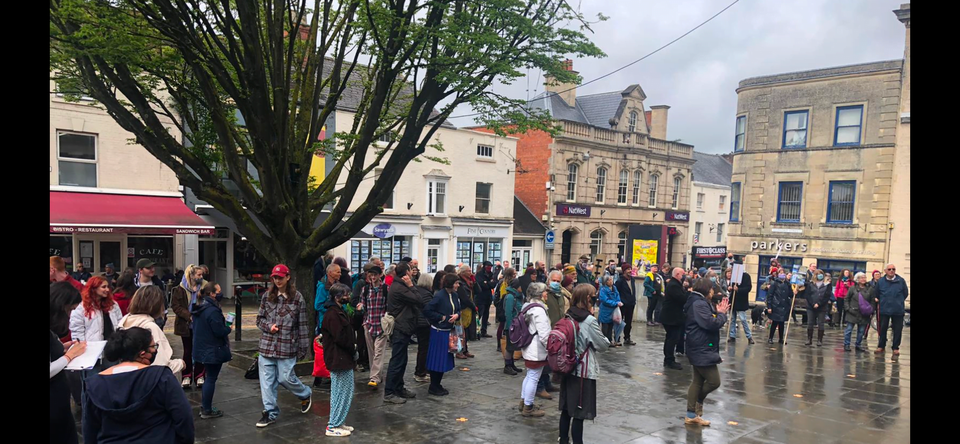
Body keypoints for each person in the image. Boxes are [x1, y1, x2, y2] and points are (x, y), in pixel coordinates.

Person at [82, 327, 194, 444]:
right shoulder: (161, 377)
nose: (155, 350)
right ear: (142, 353)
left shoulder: (94, 384)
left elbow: (90, 428)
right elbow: (183, 417)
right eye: (153, 347)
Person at [255, 264, 313, 428]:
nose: (277, 280)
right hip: (267, 345)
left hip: (287, 346)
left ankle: (305, 393)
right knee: (267, 383)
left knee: (285, 378)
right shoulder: (267, 296)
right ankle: (270, 412)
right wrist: (269, 327)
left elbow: (302, 324)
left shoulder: (297, 298)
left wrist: (303, 348)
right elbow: (259, 319)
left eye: (280, 277)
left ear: (288, 277)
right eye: (275, 277)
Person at [558, 284, 610, 444]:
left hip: (567, 367)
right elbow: (603, 345)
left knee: (567, 409)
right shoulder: (588, 320)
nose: (596, 298)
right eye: (594, 295)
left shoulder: (568, 315)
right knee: (580, 412)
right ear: (588, 298)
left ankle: (563, 440)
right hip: (583, 370)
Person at [682, 278, 730, 426]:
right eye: (711, 289)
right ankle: (697, 402)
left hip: (701, 346)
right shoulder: (698, 303)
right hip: (700, 347)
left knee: (697, 381)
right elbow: (710, 323)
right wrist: (721, 314)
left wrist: (717, 312)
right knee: (714, 381)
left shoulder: (700, 302)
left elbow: (708, 319)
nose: (713, 292)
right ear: (706, 290)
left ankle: (691, 414)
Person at [117, 286, 186, 374]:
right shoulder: (151, 328)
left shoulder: (123, 323)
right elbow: (160, 365)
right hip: (147, 379)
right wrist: (179, 364)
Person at [383, 261, 424, 404]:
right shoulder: (401, 288)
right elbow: (419, 300)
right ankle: (389, 392)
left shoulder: (398, 285)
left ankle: (399, 388)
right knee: (397, 360)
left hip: (404, 326)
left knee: (402, 359)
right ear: (406, 273)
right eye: (410, 270)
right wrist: (411, 286)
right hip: (401, 327)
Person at [50, 282, 85, 444]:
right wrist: (69, 356)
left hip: (59, 404)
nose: (71, 314)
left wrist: (63, 348)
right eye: (70, 309)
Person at [191, 281, 232, 419]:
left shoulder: (198, 306)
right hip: (213, 349)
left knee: (208, 377)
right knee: (211, 379)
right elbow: (219, 331)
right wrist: (228, 328)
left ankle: (205, 406)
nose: (221, 293)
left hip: (201, 348)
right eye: (218, 291)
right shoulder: (212, 310)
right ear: (212, 294)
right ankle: (207, 409)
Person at [321, 283, 357, 437]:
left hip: (341, 358)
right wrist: (353, 347)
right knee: (341, 392)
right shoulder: (333, 314)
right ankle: (333, 425)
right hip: (339, 358)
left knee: (342, 391)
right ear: (337, 297)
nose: (348, 297)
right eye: (345, 294)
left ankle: (338, 422)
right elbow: (340, 337)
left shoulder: (336, 312)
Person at [423, 273, 463, 396]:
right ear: (450, 283)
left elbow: (458, 309)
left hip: (449, 332)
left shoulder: (454, 295)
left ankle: (437, 384)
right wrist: (442, 317)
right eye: (456, 283)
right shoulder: (439, 296)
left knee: (444, 359)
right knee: (438, 359)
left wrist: (457, 315)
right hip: (439, 332)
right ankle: (434, 386)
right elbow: (427, 310)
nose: (458, 285)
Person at [518, 282, 552, 418]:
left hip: (528, 346)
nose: (547, 294)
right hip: (536, 349)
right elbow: (544, 335)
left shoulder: (527, 305)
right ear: (539, 294)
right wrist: (551, 348)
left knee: (529, 375)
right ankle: (528, 407)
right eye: (545, 292)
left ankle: (524, 402)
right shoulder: (539, 310)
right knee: (533, 377)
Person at [171, 264, 206, 389]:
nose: (201, 277)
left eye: (202, 275)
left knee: (199, 350)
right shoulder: (179, 289)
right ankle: (186, 375)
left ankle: (199, 375)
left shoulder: (204, 287)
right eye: (199, 274)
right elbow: (176, 306)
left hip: (201, 325)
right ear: (190, 275)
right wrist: (189, 315)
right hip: (186, 325)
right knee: (187, 350)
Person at [357, 265, 389, 388]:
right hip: (369, 324)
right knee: (371, 352)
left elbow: (388, 306)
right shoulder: (365, 289)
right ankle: (376, 375)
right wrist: (360, 307)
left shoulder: (386, 289)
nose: (373, 277)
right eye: (371, 275)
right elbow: (362, 304)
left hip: (381, 325)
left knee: (379, 352)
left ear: (380, 275)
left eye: (375, 274)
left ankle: (374, 377)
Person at [876, 264, 908, 356]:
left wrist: (898, 301)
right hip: (884, 309)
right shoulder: (881, 281)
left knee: (898, 330)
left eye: (893, 269)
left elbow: (905, 293)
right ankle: (881, 346)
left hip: (898, 309)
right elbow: (877, 293)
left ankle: (895, 347)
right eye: (889, 269)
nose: (891, 271)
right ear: (885, 271)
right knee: (882, 328)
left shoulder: (901, 281)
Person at [661, 267, 687, 370]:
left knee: (671, 338)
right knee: (672, 339)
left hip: (673, 316)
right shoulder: (673, 285)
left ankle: (669, 359)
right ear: (677, 275)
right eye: (682, 274)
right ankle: (669, 360)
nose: (684, 276)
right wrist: (688, 292)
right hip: (671, 317)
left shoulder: (676, 284)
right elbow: (682, 299)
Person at [844, 273, 877, 352]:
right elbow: (846, 299)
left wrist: (871, 309)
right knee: (849, 330)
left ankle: (858, 345)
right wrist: (848, 309)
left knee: (861, 331)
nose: (863, 279)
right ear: (857, 279)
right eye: (861, 278)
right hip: (852, 312)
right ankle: (847, 344)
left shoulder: (870, 289)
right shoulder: (852, 288)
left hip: (864, 313)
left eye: (864, 277)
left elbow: (873, 301)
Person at [413, 273, 435, 383]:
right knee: (424, 349)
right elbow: (429, 309)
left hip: (418, 323)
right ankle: (420, 372)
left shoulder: (416, 290)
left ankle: (421, 370)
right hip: (424, 324)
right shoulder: (426, 294)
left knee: (422, 348)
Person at [501, 277, 525, 375]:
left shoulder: (518, 296)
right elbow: (508, 313)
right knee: (509, 347)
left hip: (517, 325)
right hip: (511, 326)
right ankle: (507, 366)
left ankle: (511, 364)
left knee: (513, 346)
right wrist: (511, 327)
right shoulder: (510, 297)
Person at [134, 258, 167, 328]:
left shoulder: (158, 283)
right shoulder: (133, 284)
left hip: (156, 318)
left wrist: (164, 315)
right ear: (140, 270)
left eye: (153, 267)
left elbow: (163, 299)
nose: (152, 270)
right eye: (148, 268)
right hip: (138, 318)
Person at [455, 265, 479, 359]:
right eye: (468, 271)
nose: (470, 273)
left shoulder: (470, 282)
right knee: (461, 331)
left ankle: (465, 349)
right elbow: (465, 298)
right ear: (463, 272)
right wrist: (473, 307)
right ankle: (459, 351)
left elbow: (478, 291)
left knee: (466, 331)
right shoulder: (460, 283)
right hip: (463, 308)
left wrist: (475, 281)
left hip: (469, 308)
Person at [727, 268, 754, 344]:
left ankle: (749, 336)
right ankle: (732, 336)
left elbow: (748, 288)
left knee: (743, 319)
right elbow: (730, 286)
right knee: (732, 319)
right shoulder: (734, 276)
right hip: (733, 300)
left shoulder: (746, 276)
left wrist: (738, 289)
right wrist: (730, 288)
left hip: (741, 301)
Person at [804, 270, 831, 347]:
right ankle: (809, 339)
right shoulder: (811, 284)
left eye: (821, 274)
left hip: (822, 307)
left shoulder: (827, 284)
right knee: (810, 323)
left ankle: (820, 340)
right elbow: (807, 295)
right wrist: (813, 304)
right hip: (811, 307)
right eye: (818, 274)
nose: (820, 276)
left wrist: (819, 304)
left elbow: (827, 295)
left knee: (821, 324)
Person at [315, 263, 342, 338]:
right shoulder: (322, 287)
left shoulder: (339, 286)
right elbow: (318, 306)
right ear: (330, 273)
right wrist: (333, 311)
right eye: (338, 272)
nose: (340, 274)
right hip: (325, 322)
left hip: (337, 321)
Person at [765, 272, 791, 344]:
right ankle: (770, 338)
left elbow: (790, 294)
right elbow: (770, 295)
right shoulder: (774, 283)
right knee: (775, 322)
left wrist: (794, 291)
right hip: (776, 305)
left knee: (782, 323)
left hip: (784, 306)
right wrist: (769, 306)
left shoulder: (787, 284)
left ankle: (781, 338)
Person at [614, 263, 637, 345]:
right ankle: (617, 338)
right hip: (623, 304)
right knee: (619, 322)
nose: (630, 271)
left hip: (631, 304)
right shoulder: (620, 281)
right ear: (624, 271)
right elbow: (616, 292)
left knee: (629, 322)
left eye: (630, 269)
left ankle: (627, 337)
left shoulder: (632, 279)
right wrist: (619, 301)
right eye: (628, 269)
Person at [598, 275, 622, 344]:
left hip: (613, 311)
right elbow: (604, 300)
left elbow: (617, 296)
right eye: (609, 280)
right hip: (605, 311)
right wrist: (615, 303)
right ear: (605, 282)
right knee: (605, 327)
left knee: (611, 326)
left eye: (611, 279)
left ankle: (610, 340)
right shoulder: (603, 289)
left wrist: (618, 302)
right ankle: (605, 341)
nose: (611, 281)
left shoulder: (614, 288)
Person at [476, 261, 497, 338]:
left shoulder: (491, 274)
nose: (489, 268)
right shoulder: (479, 274)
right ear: (484, 266)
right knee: (479, 314)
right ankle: (475, 331)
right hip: (480, 297)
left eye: (491, 266)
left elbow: (493, 284)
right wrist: (488, 284)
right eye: (488, 266)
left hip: (488, 297)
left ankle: (483, 331)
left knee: (486, 315)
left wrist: (487, 283)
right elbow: (481, 285)